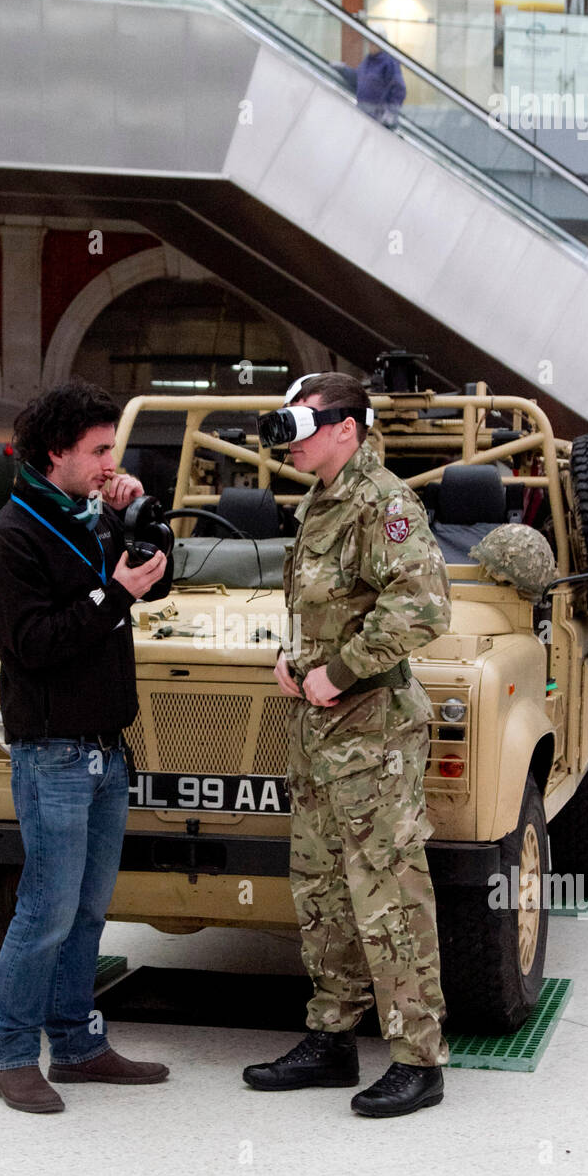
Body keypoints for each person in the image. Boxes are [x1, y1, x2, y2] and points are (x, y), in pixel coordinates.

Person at [242, 373, 452, 1118]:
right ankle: (331, 1038)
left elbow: (423, 606)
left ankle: (417, 1059)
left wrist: (341, 670)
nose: (293, 441)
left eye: (305, 425)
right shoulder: (322, 502)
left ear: (347, 427)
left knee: (387, 894)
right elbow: (330, 607)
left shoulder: (384, 502)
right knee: (323, 889)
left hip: (373, 733)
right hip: (318, 732)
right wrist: (294, 659)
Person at [0, 380, 173, 1114]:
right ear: (55, 453)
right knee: (45, 911)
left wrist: (141, 519)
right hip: (52, 755)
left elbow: (155, 583)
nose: (108, 461)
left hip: (104, 751)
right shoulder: (10, 537)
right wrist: (111, 594)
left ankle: (80, 1045)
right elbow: (32, 645)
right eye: (97, 450)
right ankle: (13, 1053)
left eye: (111, 448)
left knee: (88, 912)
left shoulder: (90, 520)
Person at [356, 41, 406, 128]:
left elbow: (399, 89)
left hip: (380, 116)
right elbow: (359, 80)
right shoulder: (367, 61)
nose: (370, 46)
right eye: (370, 43)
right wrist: (344, 70)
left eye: (373, 43)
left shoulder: (389, 62)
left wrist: (391, 112)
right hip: (364, 113)